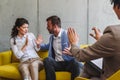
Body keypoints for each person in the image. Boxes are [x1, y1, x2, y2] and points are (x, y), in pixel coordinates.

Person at [64, 0, 120, 80]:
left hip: (111, 76)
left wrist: (74, 43)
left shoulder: (114, 34)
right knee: (90, 69)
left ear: (118, 7)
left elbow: (80, 55)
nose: (113, 9)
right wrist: (102, 39)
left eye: (114, 6)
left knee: (88, 68)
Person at [37, 15, 81, 80]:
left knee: (76, 62)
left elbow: (77, 48)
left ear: (55, 26)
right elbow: (47, 46)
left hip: (68, 63)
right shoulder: (52, 37)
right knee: (47, 60)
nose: (47, 28)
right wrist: (38, 45)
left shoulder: (67, 34)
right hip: (57, 64)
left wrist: (71, 51)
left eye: (48, 26)